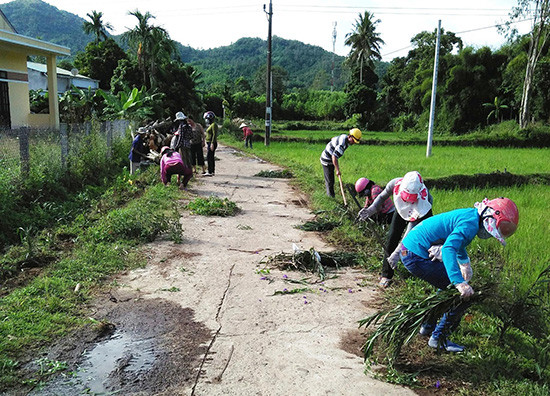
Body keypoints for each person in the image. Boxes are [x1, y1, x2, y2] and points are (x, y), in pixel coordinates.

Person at [400, 197, 519, 352]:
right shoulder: (470, 224)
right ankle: (438, 339)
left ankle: (427, 327)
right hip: (415, 254)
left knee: (445, 289)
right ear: (490, 216)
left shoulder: (471, 217)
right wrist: (459, 282)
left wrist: (464, 262)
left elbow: (458, 242)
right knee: (461, 296)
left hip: (409, 249)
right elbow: (449, 248)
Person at [358, 171, 433, 288]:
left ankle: (426, 273)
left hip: (419, 212)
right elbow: (382, 196)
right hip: (402, 208)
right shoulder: (395, 183)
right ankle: (386, 275)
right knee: (392, 237)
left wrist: (397, 253)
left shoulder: (423, 202)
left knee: (421, 242)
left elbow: (409, 232)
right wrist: (370, 210)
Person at [319, 128, 362, 198]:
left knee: (331, 179)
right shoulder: (341, 145)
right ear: (350, 136)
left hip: (330, 159)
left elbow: (333, 138)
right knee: (330, 181)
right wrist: (337, 170)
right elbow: (334, 157)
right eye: (353, 141)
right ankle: (330, 198)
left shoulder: (344, 136)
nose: (353, 143)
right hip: (327, 159)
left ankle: (330, 196)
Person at [204, 110, 218, 176]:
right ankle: (212, 171)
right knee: (211, 157)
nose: (206, 120)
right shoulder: (211, 125)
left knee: (209, 157)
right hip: (209, 143)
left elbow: (214, 134)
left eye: (207, 119)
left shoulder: (214, 125)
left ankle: (210, 171)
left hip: (211, 143)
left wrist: (212, 143)